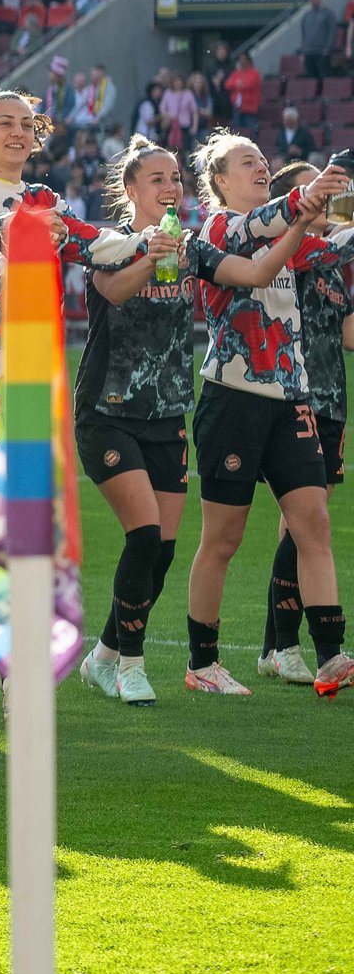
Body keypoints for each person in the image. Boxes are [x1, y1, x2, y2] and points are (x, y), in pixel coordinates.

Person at [75, 137, 312, 706]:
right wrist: (147, 254)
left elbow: (254, 274)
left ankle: (104, 654)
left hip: (167, 414)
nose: (170, 187)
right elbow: (114, 292)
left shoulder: (192, 246)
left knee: (162, 553)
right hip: (108, 415)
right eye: (156, 179)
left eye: (175, 178)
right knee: (143, 536)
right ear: (131, 190)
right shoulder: (109, 245)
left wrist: (298, 226)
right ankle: (132, 666)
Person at [0, 90, 142, 702]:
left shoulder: (45, 202)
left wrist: (147, 244)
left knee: (9, 537)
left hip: (29, 391)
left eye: (28, 125)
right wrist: (13, 235)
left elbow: (87, 243)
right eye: (6, 124)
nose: (20, 134)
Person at [178, 133, 351, 695]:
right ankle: (202, 664)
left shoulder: (285, 230)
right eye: (246, 161)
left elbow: (335, 246)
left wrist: (318, 213)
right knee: (222, 540)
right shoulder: (217, 228)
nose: (260, 166)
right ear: (220, 181)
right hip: (233, 401)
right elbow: (264, 233)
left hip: (292, 400)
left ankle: (331, 658)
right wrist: (307, 198)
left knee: (313, 525)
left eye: (262, 159)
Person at [251, 160, 354, 693]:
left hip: (332, 401)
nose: (327, 194)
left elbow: (348, 332)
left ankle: (277, 644)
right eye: (314, 188)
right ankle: (283, 644)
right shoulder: (295, 252)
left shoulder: (333, 257)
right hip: (298, 398)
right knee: (302, 524)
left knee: (305, 525)